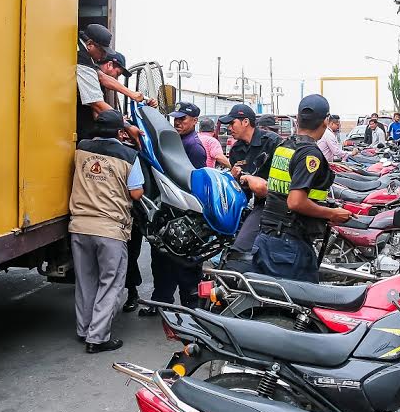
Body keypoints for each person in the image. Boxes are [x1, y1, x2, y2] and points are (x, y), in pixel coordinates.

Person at [243, 95, 351, 282]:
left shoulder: (284, 147)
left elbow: (281, 191)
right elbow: (295, 202)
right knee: (302, 299)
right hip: (288, 246)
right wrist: (332, 214)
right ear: (325, 121)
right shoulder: (309, 154)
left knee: (274, 298)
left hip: (268, 239)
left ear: (298, 119)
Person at [68, 110, 145, 353]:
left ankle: (84, 330)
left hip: (79, 226)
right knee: (110, 283)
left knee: (85, 281)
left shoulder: (81, 148)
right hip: (110, 228)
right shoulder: (129, 155)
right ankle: (98, 338)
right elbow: (136, 193)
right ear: (120, 132)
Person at [138, 102, 206, 316]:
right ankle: (161, 302)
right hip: (168, 212)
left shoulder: (193, 147)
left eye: (182, 119)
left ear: (194, 121)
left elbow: (191, 184)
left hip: (184, 216)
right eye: (176, 118)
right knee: (162, 261)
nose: (177, 122)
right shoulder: (173, 141)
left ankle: (191, 311)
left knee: (184, 265)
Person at [219, 104, 281, 255]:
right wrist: (234, 178)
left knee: (240, 250)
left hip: (277, 203)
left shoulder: (272, 142)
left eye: (232, 123)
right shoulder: (236, 150)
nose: (229, 128)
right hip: (255, 203)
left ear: (245, 122)